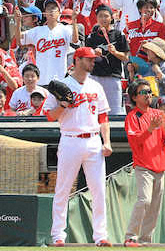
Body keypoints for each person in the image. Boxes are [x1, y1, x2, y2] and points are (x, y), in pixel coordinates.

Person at [43, 46, 112, 247]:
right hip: (70, 138)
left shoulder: (96, 86)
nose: (92, 63)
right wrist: (62, 105)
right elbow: (49, 116)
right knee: (63, 189)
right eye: (89, 59)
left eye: (93, 60)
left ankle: (100, 236)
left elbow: (103, 117)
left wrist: (106, 141)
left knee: (99, 190)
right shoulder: (61, 84)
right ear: (78, 59)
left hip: (93, 140)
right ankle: (58, 235)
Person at [124, 79, 165, 247]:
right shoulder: (132, 117)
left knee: (154, 208)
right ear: (134, 97)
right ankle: (130, 236)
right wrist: (150, 129)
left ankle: (145, 241)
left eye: (149, 92)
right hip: (143, 165)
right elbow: (134, 141)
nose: (148, 95)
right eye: (143, 92)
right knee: (144, 200)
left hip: (159, 165)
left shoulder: (158, 114)